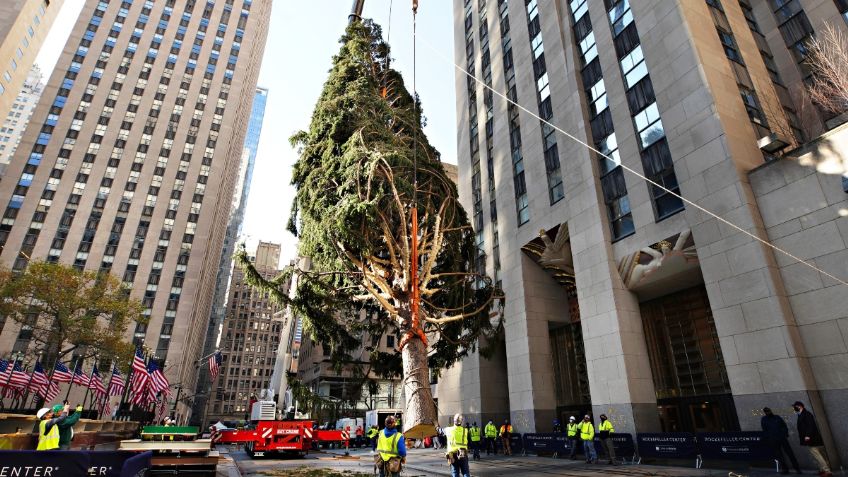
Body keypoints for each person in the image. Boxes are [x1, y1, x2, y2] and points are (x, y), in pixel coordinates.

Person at [793, 401, 832, 477]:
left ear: (800, 406)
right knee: (821, 455)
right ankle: (823, 470)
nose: (794, 409)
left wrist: (807, 435)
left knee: (817, 455)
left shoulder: (806, 414)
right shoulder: (802, 415)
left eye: (795, 407)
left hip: (812, 439)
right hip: (814, 439)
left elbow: (811, 425)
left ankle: (827, 471)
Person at [761, 407, 801, 475]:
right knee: (779, 455)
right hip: (773, 440)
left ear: (770, 411)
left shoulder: (777, 417)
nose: (768, 412)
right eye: (766, 411)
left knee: (790, 453)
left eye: (769, 411)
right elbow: (764, 430)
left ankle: (797, 469)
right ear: (765, 412)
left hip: (782, 438)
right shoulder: (764, 419)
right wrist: (769, 438)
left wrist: (784, 434)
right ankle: (785, 469)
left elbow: (784, 426)